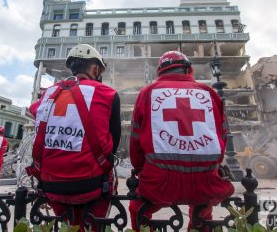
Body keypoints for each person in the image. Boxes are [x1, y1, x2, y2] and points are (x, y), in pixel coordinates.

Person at [128, 51, 234, 231]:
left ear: (160, 72)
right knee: (203, 212)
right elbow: (221, 138)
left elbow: (135, 141)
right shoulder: (209, 93)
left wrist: (140, 170)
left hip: (159, 183)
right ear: (189, 70)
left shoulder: (147, 93)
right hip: (206, 182)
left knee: (137, 208)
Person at [28, 44, 121, 231]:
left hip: (50, 185)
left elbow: (34, 111)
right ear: (95, 69)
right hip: (92, 184)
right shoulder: (108, 94)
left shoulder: (48, 94)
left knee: (67, 226)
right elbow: (114, 142)